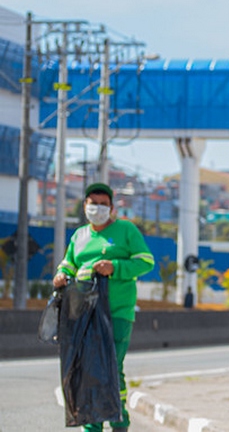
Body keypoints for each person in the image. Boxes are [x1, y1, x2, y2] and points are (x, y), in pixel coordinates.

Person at [53, 182, 155, 432]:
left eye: (103, 204)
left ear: (111, 208)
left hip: (116, 312)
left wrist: (116, 268)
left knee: (110, 366)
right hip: (83, 313)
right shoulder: (79, 236)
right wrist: (60, 275)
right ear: (84, 206)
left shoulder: (126, 230)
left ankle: (119, 421)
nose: (97, 208)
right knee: (85, 369)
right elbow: (68, 264)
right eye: (92, 203)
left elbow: (146, 261)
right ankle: (92, 426)